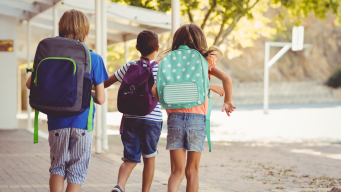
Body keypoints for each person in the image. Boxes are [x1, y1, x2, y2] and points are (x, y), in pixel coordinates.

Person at [26, 9, 109, 192]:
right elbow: (101, 99)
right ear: (86, 31)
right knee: (76, 172)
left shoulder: (48, 55)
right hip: (82, 123)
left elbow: (29, 84)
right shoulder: (93, 57)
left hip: (56, 121)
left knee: (57, 168)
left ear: (61, 28)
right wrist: (87, 93)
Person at [151, 23, 236, 192]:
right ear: (199, 40)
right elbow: (226, 78)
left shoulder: (168, 60)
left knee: (176, 172)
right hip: (197, 120)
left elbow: (154, 89)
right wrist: (228, 100)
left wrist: (168, 103)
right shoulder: (205, 60)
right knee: (193, 171)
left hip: (174, 119)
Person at [103, 30, 163, 192]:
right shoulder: (161, 70)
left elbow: (107, 83)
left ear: (137, 47)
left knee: (130, 157)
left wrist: (93, 91)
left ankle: (120, 185)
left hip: (130, 118)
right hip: (152, 119)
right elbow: (165, 95)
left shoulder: (129, 66)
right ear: (157, 48)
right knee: (149, 158)